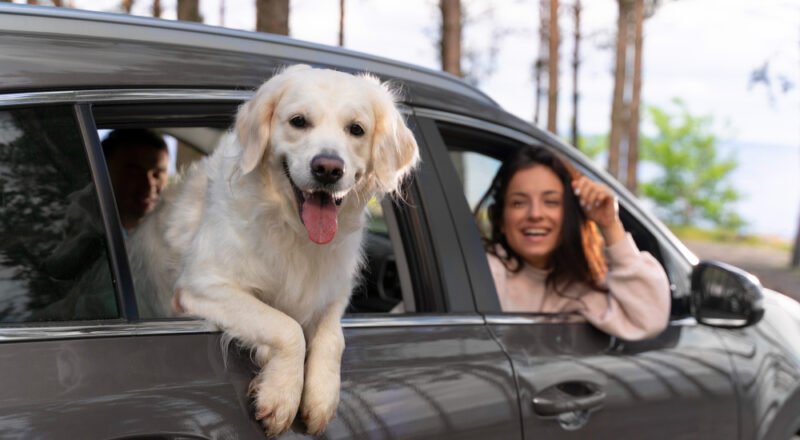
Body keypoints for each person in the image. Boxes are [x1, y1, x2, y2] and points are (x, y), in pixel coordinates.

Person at [476, 146, 670, 340]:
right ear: (501, 219)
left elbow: (649, 320)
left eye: (551, 202)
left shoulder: (580, 285)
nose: (535, 214)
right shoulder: (484, 274)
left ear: (570, 214)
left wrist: (610, 226)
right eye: (519, 203)